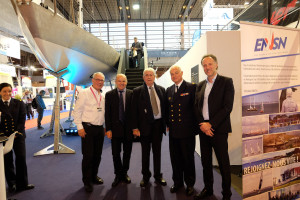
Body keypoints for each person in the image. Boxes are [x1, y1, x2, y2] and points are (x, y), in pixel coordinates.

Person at [194, 54, 234, 200]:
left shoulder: (226, 82)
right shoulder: (200, 85)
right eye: (204, 65)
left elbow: (227, 107)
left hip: (219, 130)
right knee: (205, 162)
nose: (207, 67)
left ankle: (226, 194)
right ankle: (208, 189)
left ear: (216, 65)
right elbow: (196, 108)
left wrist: (211, 124)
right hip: (203, 130)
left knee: (223, 164)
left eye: (210, 64)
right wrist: (203, 126)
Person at [132, 68, 167, 187]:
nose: (149, 77)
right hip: (144, 127)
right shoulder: (137, 91)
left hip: (158, 126)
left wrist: (166, 124)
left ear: (154, 76)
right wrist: (135, 127)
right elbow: (134, 112)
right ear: (143, 77)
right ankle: (145, 177)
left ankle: (158, 176)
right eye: (146, 75)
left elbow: (165, 109)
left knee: (157, 153)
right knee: (145, 153)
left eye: (151, 75)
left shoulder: (161, 90)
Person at [165, 65, 197, 196]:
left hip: (187, 131)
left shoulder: (191, 87)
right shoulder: (169, 90)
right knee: (175, 159)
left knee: (187, 159)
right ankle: (177, 182)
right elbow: (167, 110)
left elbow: (196, 109)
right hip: (173, 132)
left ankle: (190, 184)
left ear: (182, 73)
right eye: (171, 74)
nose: (174, 76)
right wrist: (167, 124)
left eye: (176, 73)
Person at [73, 72, 105, 193]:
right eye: (98, 79)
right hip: (88, 129)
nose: (100, 82)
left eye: (102, 80)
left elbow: (102, 113)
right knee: (88, 156)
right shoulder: (84, 93)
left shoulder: (102, 95)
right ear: (93, 80)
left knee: (97, 155)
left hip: (99, 129)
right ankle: (87, 181)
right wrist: (79, 127)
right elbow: (77, 111)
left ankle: (94, 176)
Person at [0, 83, 34, 193]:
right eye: (4, 91)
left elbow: (21, 119)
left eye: (9, 91)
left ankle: (23, 184)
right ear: (0, 92)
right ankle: (12, 184)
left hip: (18, 136)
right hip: (3, 138)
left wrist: (16, 133)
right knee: (7, 160)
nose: (7, 93)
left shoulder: (19, 103)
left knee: (21, 158)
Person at [105, 74, 133, 187]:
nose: (122, 83)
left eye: (124, 81)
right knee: (115, 153)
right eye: (120, 81)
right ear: (116, 82)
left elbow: (135, 112)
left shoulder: (132, 93)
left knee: (127, 153)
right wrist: (108, 129)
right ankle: (118, 174)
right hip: (115, 130)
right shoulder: (109, 95)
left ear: (126, 82)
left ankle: (124, 173)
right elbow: (107, 113)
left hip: (128, 130)